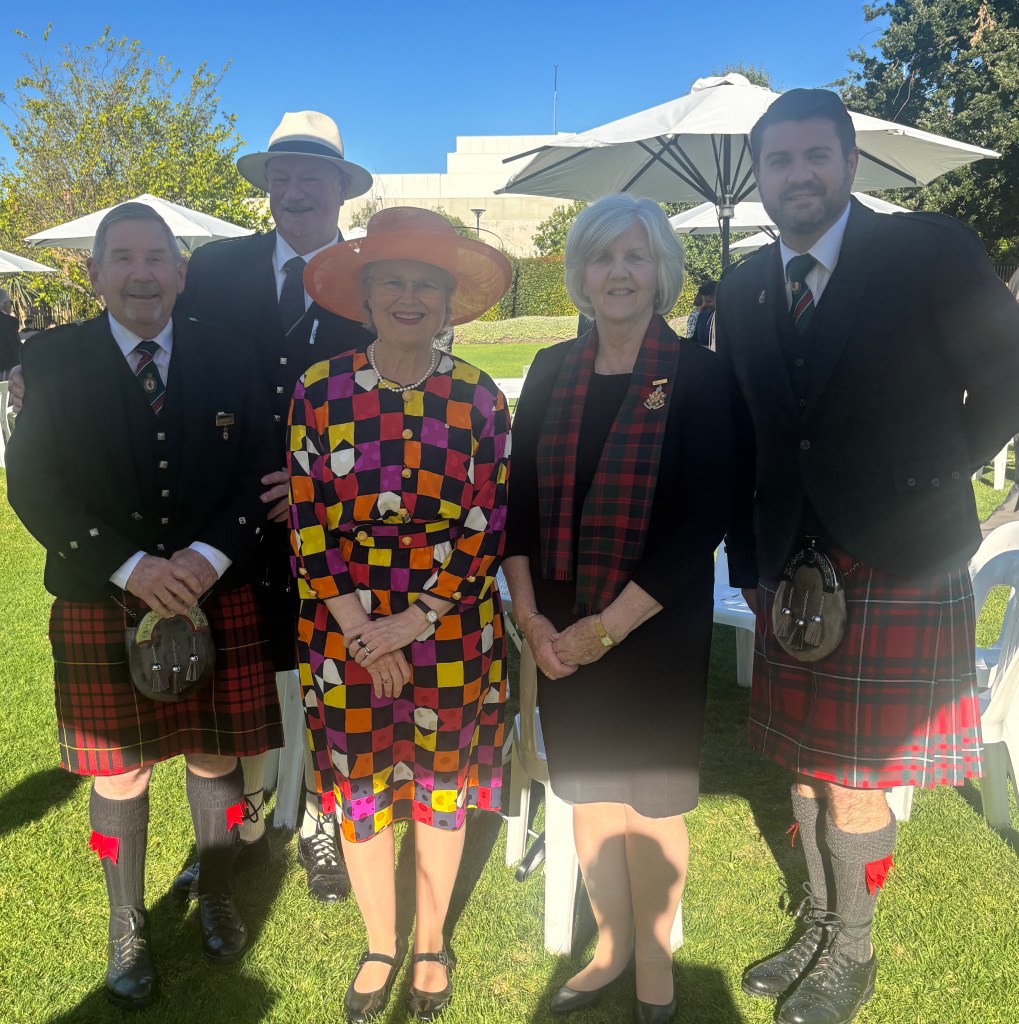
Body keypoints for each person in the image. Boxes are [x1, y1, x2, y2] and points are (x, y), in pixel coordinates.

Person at [715, 89, 1019, 1024]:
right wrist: (749, 562)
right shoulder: (744, 284)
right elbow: (744, 433)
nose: (797, 175)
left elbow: (1004, 378)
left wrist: (931, 476)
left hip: (899, 553)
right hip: (787, 563)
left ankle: (851, 948)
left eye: (816, 155)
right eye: (778, 160)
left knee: (853, 775)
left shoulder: (926, 250)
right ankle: (818, 920)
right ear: (759, 178)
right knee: (805, 764)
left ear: (849, 164)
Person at [5, 203, 283, 1008]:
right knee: (118, 771)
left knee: (216, 756)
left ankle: (217, 888)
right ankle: (125, 917)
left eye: (157, 257)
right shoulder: (52, 358)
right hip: (100, 594)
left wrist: (206, 557)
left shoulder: (229, 353)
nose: (141, 273)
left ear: (181, 273)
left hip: (214, 588)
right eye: (122, 257)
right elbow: (33, 484)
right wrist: (129, 568)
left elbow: (261, 470)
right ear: (94, 273)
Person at [503, 194, 739, 1024]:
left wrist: (606, 630)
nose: (618, 272)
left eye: (635, 256)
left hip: (653, 631)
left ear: (661, 271)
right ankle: (608, 947)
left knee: (651, 803)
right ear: (579, 272)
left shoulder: (701, 376)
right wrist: (533, 624)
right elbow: (516, 509)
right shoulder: (548, 370)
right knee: (591, 798)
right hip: (558, 634)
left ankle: (654, 967)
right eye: (602, 257)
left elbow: (701, 521)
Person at [288, 206, 511, 1023]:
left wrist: (413, 622)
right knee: (359, 786)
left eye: (425, 284)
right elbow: (309, 522)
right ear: (366, 295)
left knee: (440, 786)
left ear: (448, 301)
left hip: (448, 624)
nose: (409, 298)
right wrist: (363, 631)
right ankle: (381, 942)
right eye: (392, 282)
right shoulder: (319, 391)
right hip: (341, 621)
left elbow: (487, 520)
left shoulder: (479, 397)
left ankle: (429, 944)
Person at [173, 110, 374, 903]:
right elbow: (157, 340)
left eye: (311, 177)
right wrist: (42, 365)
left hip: (336, 518)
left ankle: (322, 821)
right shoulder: (216, 266)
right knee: (233, 673)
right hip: (222, 514)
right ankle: (237, 825)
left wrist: (315, 485)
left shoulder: (372, 277)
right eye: (280, 177)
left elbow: (392, 401)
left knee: (329, 671)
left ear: (340, 189)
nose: (294, 191)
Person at [0, 287, 19, 379]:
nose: (11, 305)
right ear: (4, 304)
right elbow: (15, 347)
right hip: (4, 369)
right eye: (11, 302)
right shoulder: (10, 322)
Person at [693, 278, 716, 346]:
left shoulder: (728, 318)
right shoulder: (703, 313)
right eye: (704, 301)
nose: (704, 305)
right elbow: (695, 339)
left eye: (708, 301)